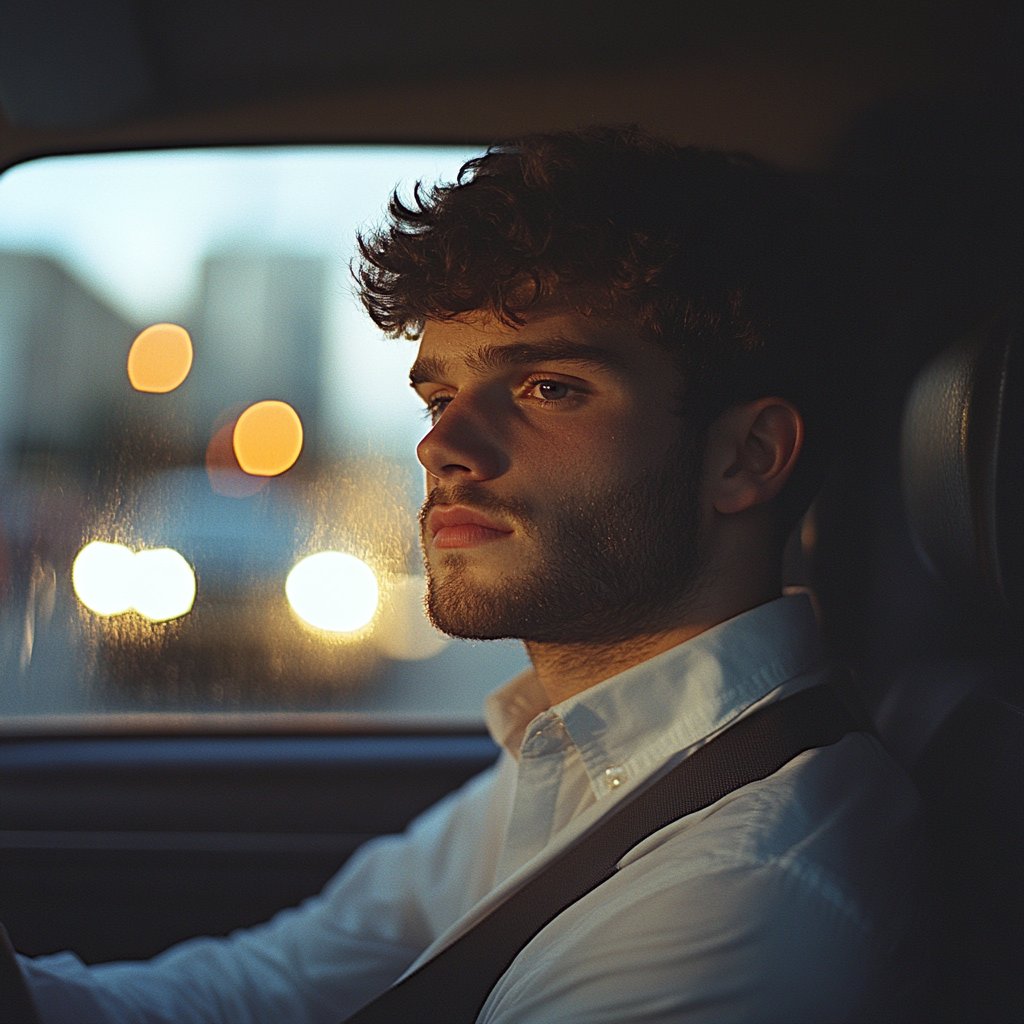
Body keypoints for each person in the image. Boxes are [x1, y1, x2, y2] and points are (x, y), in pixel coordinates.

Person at [18, 126, 926, 1023]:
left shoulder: (736, 912)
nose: (441, 445)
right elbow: (274, 986)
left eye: (548, 388)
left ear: (746, 457)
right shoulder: (584, 755)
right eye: (440, 397)